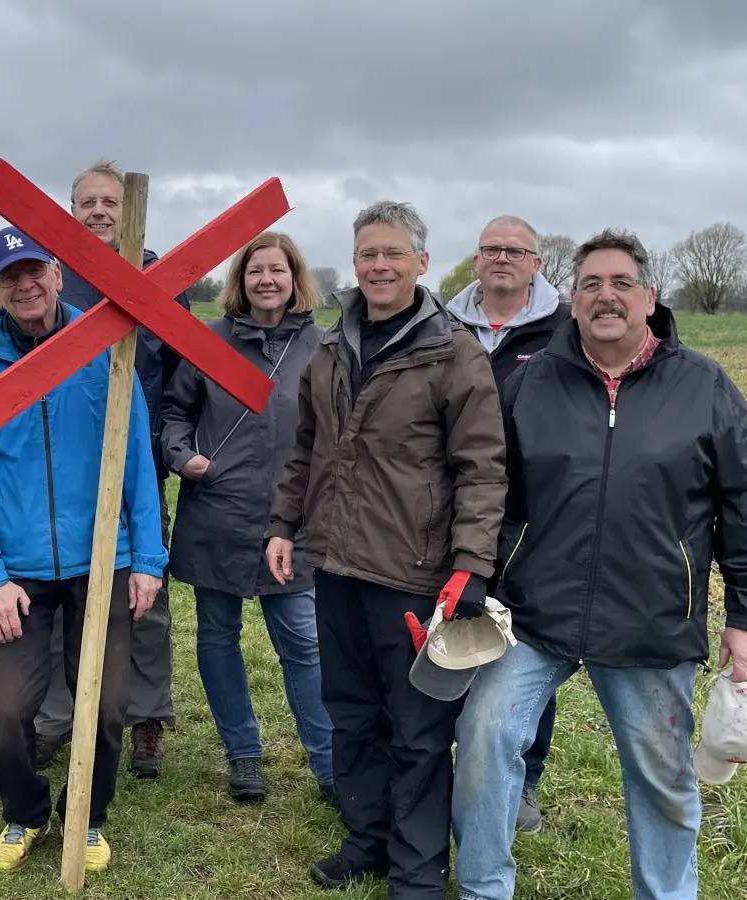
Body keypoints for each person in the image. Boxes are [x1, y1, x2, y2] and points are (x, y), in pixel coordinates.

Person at [450, 228, 747, 900]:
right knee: (483, 739)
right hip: (533, 616)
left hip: (650, 619)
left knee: (663, 776)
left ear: (649, 298)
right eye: (591, 286)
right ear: (571, 303)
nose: (606, 297)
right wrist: (472, 576)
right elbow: (486, 486)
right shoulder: (527, 384)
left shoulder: (704, 388)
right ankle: (485, 887)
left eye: (621, 284)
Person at [265, 201, 507, 899]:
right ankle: (365, 839)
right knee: (351, 712)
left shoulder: (453, 352)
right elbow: (307, 447)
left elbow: (482, 467)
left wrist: (470, 565)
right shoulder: (332, 346)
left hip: (414, 574)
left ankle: (417, 867)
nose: (378, 266)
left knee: (419, 727)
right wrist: (285, 524)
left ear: (421, 264)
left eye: (393, 254)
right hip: (336, 564)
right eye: (368, 253)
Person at [0, 226, 167, 873]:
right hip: (15, 573)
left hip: (103, 561)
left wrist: (148, 558)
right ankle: (25, 813)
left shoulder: (104, 349)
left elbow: (136, 461)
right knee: (9, 710)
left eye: (35, 270)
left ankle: (87, 817)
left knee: (103, 705)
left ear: (58, 274)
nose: (26, 284)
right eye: (11, 276)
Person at [158, 231, 334, 805]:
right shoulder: (208, 342)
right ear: (241, 280)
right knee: (217, 636)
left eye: (277, 270)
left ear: (294, 277)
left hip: (293, 519)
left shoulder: (323, 346)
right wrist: (183, 457)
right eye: (255, 270)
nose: (266, 280)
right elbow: (175, 411)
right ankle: (243, 755)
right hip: (219, 512)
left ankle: (330, 765)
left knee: (303, 644)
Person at [34, 157, 186, 779]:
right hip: (61, 468)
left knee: (144, 595)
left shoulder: (159, 277)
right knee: (56, 589)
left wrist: (162, 444)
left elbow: (180, 373)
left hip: (135, 467)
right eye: (88, 203)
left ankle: (146, 714)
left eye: (110, 203)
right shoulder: (47, 275)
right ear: (70, 212)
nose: (99, 212)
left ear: (129, 213)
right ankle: (57, 714)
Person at [443, 214, 572, 833]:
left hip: (529, 514)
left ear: (536, 264)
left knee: (520, 647)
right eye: (491, 249)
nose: (502, 258)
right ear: (475, 261)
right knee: (447, 633)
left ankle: (521, 778)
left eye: (515, 251)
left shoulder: (565, 330)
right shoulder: (440, 324)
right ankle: (449, 764)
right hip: (449, 506)